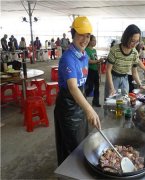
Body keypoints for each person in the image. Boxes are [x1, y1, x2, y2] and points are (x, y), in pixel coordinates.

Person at [54, 16, 101, 166]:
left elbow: (80, 87)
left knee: (82, 141)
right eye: (81, 35)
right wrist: (89, 109)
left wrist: (85, 107)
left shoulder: (84, 54)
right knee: (70, 147)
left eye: (87, 36)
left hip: (80, 101)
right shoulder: (68, 58)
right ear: (73, 34)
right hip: (68, 106)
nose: (85, 39)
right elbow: (73, 87)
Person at [105, 24, 143, 98]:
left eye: (137, 41)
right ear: (126, 38)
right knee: (111, 102)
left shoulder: (135, 53)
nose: (134, 44)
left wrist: (140, 84)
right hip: (113, 78)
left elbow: (134, 73)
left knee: (124, 102)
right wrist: (111, 87)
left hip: (125, 79)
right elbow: (108, 70)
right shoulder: (115, 50)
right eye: (132, 41)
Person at [85, 35, 104, 107]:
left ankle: (95, 102)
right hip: (90, 71)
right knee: (89, 88)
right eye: (94, 40)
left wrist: (99, 63)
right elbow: (89, 61)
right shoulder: (86, 50)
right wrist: (98, 61)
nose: (95, 42)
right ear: (89, 41)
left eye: (95, 40)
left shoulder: (94, 50)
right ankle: (82, 100)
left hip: (95, 71)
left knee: (97, 87)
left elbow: (96, 60)